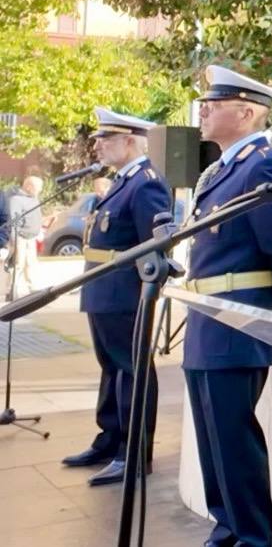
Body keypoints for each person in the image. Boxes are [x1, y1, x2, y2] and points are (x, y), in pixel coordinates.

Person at [183, 65, 272, 547]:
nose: (204, 109)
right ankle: (227, 531)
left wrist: (269, 315)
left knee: (235, 443)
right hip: (207, 321)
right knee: (215, 443)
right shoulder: (225, 168)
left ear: (248, 111)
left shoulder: (263, 165)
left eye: (214, 102)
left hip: (237, 323)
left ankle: (252, 539)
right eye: (204, 102)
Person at [61, 109, 171, 486]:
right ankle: (110, 439)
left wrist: (145, 295)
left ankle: (134, 453)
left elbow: (154, 248)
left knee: (132, 370)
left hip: (125, 294)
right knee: (112, 369)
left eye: (105, 139)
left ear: (129, 141)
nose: (97, 145)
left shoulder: (146, 184)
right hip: (103, 290)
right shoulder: (123, 182)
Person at [5, 175, 44, 299]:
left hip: (31, 237)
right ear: (28, 186)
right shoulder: (16, 199)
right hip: (19, 237)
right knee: (18, 264)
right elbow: (13, 219)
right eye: (38, 188)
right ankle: (12, 290)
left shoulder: (34, 199)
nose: (40, 190)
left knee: (30, 263)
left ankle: (32, 288)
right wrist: (13, 239)